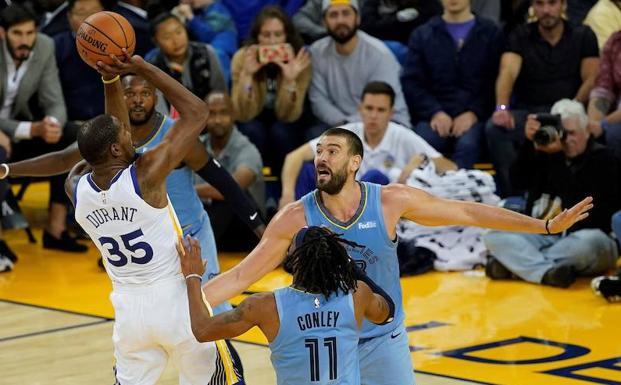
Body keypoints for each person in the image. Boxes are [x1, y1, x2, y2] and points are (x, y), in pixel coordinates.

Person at [199, 126, 592, 385]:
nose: (321, 157)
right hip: (332, 341)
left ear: (355, 163)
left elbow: (468, 212)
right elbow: (239, 278)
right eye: (318, 151)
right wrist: (177, 305)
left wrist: (543, 226)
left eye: (332, 151)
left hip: (384, 339)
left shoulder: (389, 201)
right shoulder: (295, 216)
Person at [65, 53, 241, 384]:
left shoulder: (75, 187)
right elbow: (197, 113)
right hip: (177, 303)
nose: (131, 136)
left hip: (129, 314)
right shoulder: (144, 176)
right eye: (125, 137)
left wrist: (109, 81)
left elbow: (106, 144)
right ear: (117, 150)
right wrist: (142, 68)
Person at [178, 226, 395, 385]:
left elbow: (202, 330)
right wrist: (345, 262)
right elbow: (388, 313)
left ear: (295, 259)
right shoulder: (357, 295)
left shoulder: (265, 306)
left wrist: (193, 276)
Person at [484, 99, 620, 288]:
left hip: (582, 238)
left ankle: (516, 265)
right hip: (542, 233)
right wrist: (529, 144)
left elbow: (582, 211)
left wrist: (556, 158)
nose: (566, 139)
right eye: (562, 133)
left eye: (572, 133)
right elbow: (516, 182)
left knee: (589, 244)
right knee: (492, 234)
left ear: (587, 130)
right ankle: (546, 273)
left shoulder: (605, 159)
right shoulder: (545, 152)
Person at [278, 81, 457, 208]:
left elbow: (451, 167)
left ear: (391, 113)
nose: (373, 115)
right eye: (369, 108)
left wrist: (422, 160)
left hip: (380, 214)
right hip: (340, 203)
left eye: (380, 110)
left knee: (374, 179)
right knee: (309, 170)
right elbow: (294, 156)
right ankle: (301, 233)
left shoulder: (402, 136)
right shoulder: (347, 133)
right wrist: (287, 195)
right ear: (360, 109)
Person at [485, 0, 599, 196]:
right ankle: (515, 196)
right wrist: (502, 108)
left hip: (568, 110)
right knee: (495, 129)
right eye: (540, 4)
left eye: (552, 3)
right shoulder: (520, 35)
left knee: (585, 128)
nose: (546, 10)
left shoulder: (583, 34)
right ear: (532, 7)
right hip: (531, 112)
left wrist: (572, 108)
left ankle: (576, 195)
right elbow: (507, 73)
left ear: (563, 5)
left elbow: (591, 78)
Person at [0, 3, 86, 253]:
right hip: (8, 135)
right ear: (3, 33)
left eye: (30, 33)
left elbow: (55, 100)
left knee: (72, 135)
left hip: (19, 132)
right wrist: (30, 130)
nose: (25, 40)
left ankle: (55, 229)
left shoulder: (44, 46)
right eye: (18, 34)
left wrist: (52, 125)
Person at [402, 0, 503, 169]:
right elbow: (412, 82)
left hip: (476, 115)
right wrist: (435, 112)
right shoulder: (422, 34)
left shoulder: (491, 33)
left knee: (468, 145)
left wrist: (474, 113)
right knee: (422, 143)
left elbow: (495, 81)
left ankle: (458, 192)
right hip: (433, 115)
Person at [308, 0, 411, 132]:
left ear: (357, 18)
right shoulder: (317, 52)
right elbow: (319, 100)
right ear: (324, 22)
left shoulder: (379, 53)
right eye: (333, 15)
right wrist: (344, 124)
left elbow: (380, 102)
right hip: (340, 124)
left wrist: (350, 126)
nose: (340, 21)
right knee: (314, 134)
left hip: (385, 123)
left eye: (346, 13)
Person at [231, 5, 311, 173]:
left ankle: (287, 185)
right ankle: (255, 185)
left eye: (278, 34)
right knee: (252, 129)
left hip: (286, 122)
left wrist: (290, 80)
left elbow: (290, 115)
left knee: (281, 131)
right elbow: (242, 114)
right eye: (266, 35)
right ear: (257, 37)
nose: (273, 41)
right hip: (254, 118)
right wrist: (247, 75)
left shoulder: (300, 60)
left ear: (287, 36)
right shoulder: (242, 58)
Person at [197, 91, 266, 251]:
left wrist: (192, 190)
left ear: (233, 115)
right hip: (210, 222)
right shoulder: (196, 146)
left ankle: (197, 247)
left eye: (223, 113)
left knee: (230, 196)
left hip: (247, 229)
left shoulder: (247, 149)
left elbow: (231, 188)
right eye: (212, 114)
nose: (218, 120)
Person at [147, 12, 227, 103]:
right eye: (167, 37)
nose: (176, 41)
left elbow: (220, 92)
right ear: (156, 42)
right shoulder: (153, 67)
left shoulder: (206, 52)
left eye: (179, 32)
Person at [586, 30, 621, 158]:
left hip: (615, 122)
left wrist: (602, 125)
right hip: (614, 115)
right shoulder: (616, 41)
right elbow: (603, 89)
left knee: (612, 134)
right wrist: (592, 123)